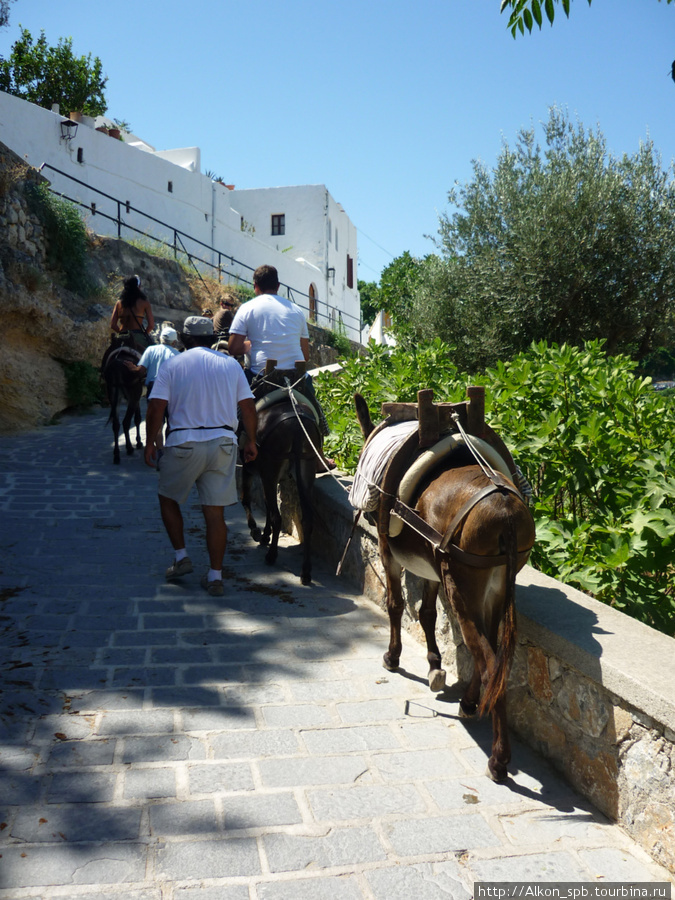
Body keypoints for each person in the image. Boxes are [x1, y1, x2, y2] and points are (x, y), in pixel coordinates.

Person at [144, 316, 257, 597]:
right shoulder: (231, 364)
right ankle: (216, 576)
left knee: (167, 498)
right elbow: (248, 407)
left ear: (184, 339)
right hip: (223, 443)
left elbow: (156, 407)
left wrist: (149, 442)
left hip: (184, 441)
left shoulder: (172, 365)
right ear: (210, 337)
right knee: (215, 514)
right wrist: (252, 440)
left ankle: (181, 556)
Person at [227, 264, 335, 470]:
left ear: (255, 286)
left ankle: (237, 446)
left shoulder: (247, 308)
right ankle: (319, 455)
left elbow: (233, 348)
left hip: (261, 375)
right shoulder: (296, 310)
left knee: (238, 408)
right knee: (314, 406)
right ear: (278, 286)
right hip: (295, 376)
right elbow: (305, 354)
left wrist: (250, 345)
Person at [124, 325, 180, 397]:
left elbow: (140, 371)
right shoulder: (178, 355)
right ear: (174, 342)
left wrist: (133, 368)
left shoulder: (150, 349)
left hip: (152, 388)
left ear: (160, 338)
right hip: (169, 389)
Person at [110, 275, 155, 350]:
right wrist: (144, 334)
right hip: (137, 337)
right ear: (138, 287)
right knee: (151, 354)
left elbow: (113, 325)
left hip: (121, 336)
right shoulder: (144, 303)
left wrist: (122, 333)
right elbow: (151, 325)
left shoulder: (118, 303)